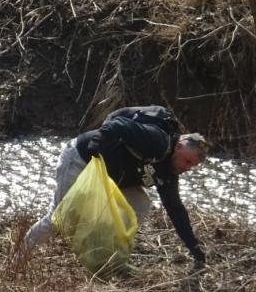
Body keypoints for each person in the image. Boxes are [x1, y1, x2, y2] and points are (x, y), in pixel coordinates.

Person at [14, 105, 210, 269]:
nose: (186, 168)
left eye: (191, 166)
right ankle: (18, 260)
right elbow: (118, 125)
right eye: (187, 161)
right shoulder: (157, 140)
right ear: (178, 147)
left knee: (141, 205)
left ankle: (108, 259)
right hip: (81, 158)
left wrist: (194, 248)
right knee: (58, 218)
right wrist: (96, 146)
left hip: (107, 176)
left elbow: (175, 210)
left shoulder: (169, 172)